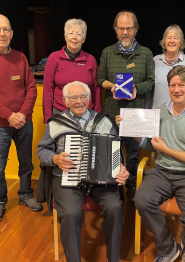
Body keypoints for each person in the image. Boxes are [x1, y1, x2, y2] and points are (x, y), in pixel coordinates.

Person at [116, 66, 185, 262]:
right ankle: (167, 248)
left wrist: (166, 150)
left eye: (182, 85)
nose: (177, 89)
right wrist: (130, 129)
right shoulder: (161, 110)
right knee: (141, 199)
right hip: (162, 170)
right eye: (173, 85)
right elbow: (149, 144)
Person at [37, 81, 129, 262]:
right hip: (67, 178)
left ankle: (113, 258)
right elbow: (42, 150)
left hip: (101, 180)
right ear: (65, 101)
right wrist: (55, 159)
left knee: (115, 208)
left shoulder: (104, 121)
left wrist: (121, 167)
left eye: (83, 96)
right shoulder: (56, 122)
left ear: (90, 99)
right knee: (70, 213)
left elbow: (115, 151)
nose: (79, 101)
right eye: (73, 97)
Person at [0, 14, 42, 225]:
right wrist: (9, 116)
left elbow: (31, 88)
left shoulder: (20, 58)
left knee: (26, 163)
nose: (2, 33)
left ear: (11, 33)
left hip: (24, 122)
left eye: (6, 29)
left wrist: (21, 114)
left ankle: (25, 194)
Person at [97, 10, 155, 202]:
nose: (125, 32)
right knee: (113, 153)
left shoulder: (146, 53)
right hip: (112, 114)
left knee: (132, 155)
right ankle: (114, 188)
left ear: (135, 30)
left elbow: (151, 81)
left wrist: (136, 89)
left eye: (128, 28)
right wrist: (111, 86)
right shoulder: (107, 52)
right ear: (116, 30)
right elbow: (100, 79)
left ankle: (130, 186)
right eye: (121, 28)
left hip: (135, 115)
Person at [43, 18, 101, 124]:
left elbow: (96, 89)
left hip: (86, 113)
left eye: (79, 34)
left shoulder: (91, 59)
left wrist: (97, 115)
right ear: (65, 36)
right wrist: (48, 117)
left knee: (86, 141)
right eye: (71, 33)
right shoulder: (54, 58)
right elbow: (48, 89)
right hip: (60, 112)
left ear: (83, 39)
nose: (74, 37)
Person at [152, 24, 185, 109]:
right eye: (169, 38)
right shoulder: (155, 61)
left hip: (182, 114)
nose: (172, 41)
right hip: (157, 114)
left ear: (181, 42)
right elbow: (149, 91)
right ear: (164, 42)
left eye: (176, 38)